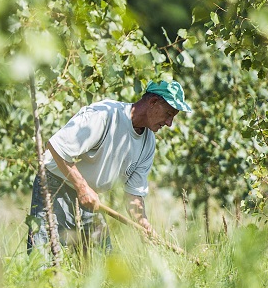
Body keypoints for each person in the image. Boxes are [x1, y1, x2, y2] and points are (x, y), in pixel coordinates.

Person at [26, 80, 192, 254]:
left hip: (91, 198)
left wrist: (143, 223)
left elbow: (133, 193)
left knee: (101, 260)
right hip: (55, 184)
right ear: (153, 102)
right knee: (43, 256)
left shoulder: (148, 143)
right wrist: (82, 188)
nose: (169, 123)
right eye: (168, 114)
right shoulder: (105, 114)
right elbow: (56, 146)